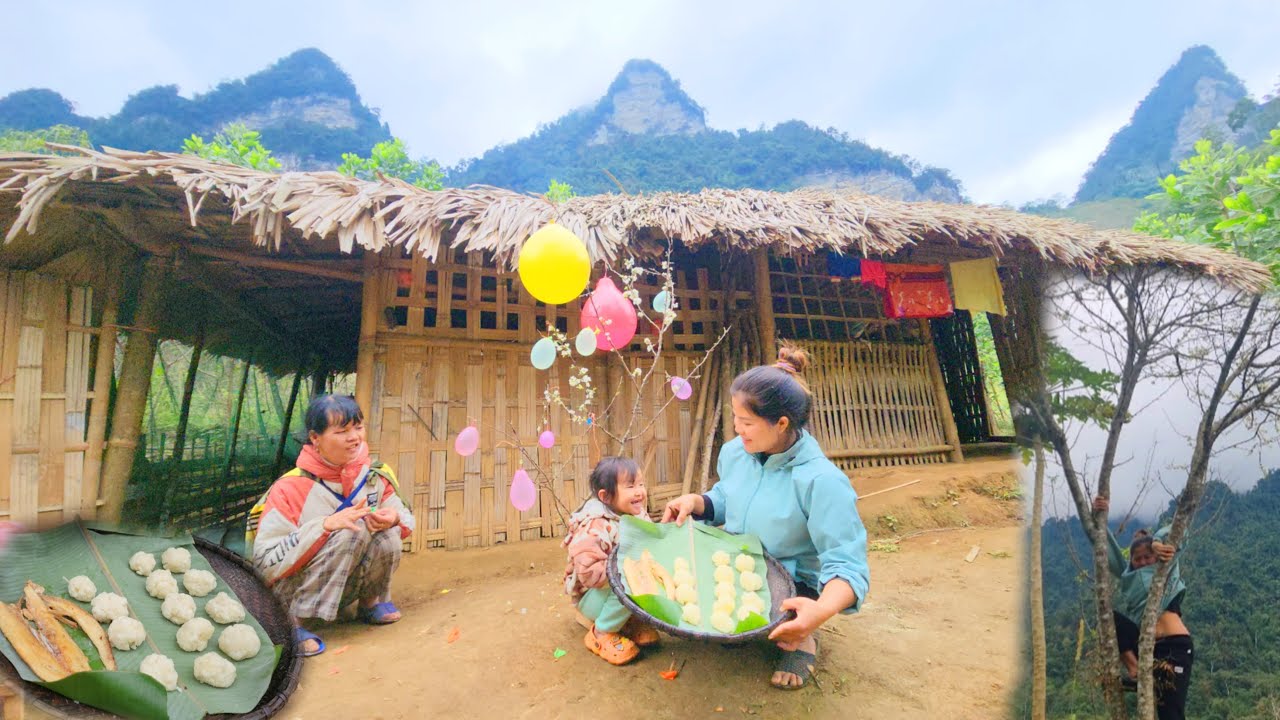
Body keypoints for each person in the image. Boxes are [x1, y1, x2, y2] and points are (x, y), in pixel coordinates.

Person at [662, 346, 869, 690]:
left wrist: (820, 612)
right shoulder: (736, 453)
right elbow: (727, 499)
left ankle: (804, 638)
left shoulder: (821, 481)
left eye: (746, 422)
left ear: (782, 423)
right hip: (739, 559)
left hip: (790, 580)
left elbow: (847, 566)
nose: (737, 429)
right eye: (735, 418)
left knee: (758, 621)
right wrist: (696, 502)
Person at [248, 394, 415, 657]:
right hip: (292, 589)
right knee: (348, 532)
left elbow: (405, 517)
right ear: (315, 438)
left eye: (358, 427)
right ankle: (292, 624)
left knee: (388, 534)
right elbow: (264, 561)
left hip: (341, 581)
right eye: (342, 431)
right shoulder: (289, 488)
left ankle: (370, 603)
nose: (355, 437)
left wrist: (393, 518)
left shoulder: (374, 474)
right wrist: (324, 526)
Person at [1093, 496, 1193, 720]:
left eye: (1148, 556)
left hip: (1175, 649)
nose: (1143, 561)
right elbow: (1105, 548)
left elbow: (1180, 533)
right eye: (1137, 559)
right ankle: (1135, 669)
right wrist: (1098, 516)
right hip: (1147, 648)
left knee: (1170, 716)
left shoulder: (1166, 565)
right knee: (1108, 617)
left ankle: (1145, 677)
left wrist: (1158, 542)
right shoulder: (1130, 575)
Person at [563, 456, 660, 665]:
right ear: (606, 496)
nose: (639, 491)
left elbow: (650, 543)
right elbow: (588, 574)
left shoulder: (637, 514)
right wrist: (627, 570)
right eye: (630, 486)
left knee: (645, 576)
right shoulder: (596, 526)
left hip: (615, 588)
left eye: (641, 484)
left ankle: (627, 621)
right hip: (592, 596)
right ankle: (601, 632)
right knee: (630, 580)